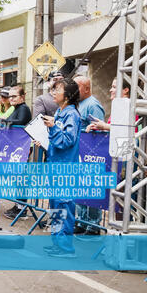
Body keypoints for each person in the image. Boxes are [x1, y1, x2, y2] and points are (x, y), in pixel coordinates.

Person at [42, 78, 81, 258]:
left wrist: (53, 128)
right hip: (55, 167)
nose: (54, 92)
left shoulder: (71, 114)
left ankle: (66, 248)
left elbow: (67, 140)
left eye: (58, 89)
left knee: (64, 206)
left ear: (68, 95)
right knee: (56, 206)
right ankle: (57, 243)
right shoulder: (59, 111)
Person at [72, 75, 105, 234]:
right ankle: (82, 221)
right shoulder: (79, 104)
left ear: (86, 88)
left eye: (77, 86)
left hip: (91, 155)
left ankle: (93, 225)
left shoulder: (93, 105)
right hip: (79, 154)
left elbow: (100, 129)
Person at [1, 85, 32, 220]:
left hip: (23, 148)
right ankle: (18, 205)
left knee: (21, 179)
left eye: (14, 96)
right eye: (10, 96)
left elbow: (20, 121)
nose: (11, 98)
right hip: (18, 148)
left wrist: (3, 121)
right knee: (18, 178)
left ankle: (21, 209)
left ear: (22, 97)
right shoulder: (16, 108)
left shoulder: (24, 108)